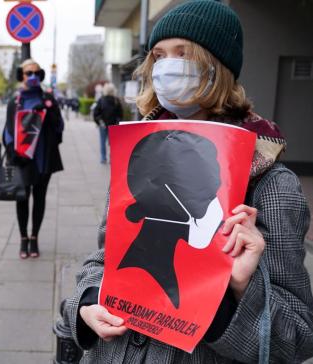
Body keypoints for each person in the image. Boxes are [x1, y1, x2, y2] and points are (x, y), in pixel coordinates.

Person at [66, 1, 313, 363]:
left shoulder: (271, 185)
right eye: (159, 55)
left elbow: (299, 336)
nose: (167, 66)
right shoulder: (143, 154)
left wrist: (241, 290)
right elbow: (103, 259)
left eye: (184, 55)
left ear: (219, 70)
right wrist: (87, 303)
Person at [3, 59, 64, 259]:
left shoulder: (48, 99)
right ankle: (23, 238)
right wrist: (14, 153)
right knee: (22, 198)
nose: (32, 77)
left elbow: (59, 128)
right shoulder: (15, 101)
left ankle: (34, 237)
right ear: (21, 75)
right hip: (22, 159)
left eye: (36, 73)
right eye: (28, 73)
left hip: (43, 159)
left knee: (39, 199)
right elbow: (8, 131)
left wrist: (49, 109)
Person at [93, 83, 123, 164]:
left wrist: (99, 121)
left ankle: (103, 158)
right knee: (113, 143)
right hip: (114, 125)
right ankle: (112, 158)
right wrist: (118, 122)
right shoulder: (116, 100)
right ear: (113, 90)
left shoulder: (101, 100)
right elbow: (120, 114)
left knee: (102, 142)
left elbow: (96, 113)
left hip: (103, 125)